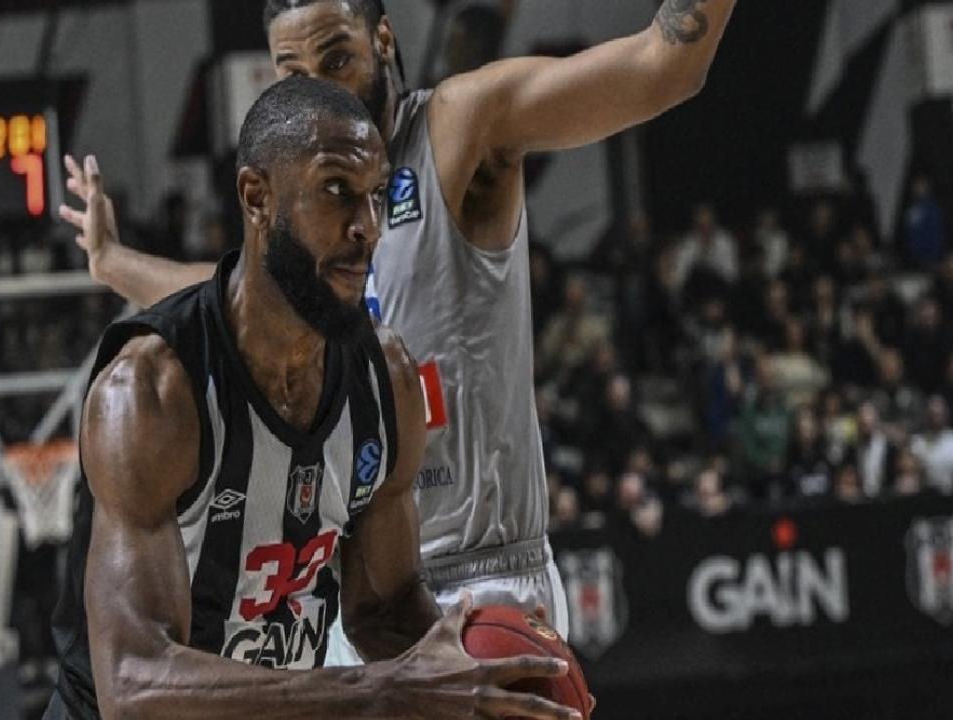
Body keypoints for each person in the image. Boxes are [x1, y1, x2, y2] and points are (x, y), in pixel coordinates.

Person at [60, 0, 737, 658]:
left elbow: (663, 65)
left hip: (476, 579)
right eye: (293, 74)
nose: (319, 89)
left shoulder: (460, 125)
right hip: (351, 593)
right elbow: (226, 297)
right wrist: (111, 261)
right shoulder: (305, 196)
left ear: (383, 40)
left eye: (337, 59)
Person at [46, 77, 577, 720]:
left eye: (377, 196)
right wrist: (380, 689)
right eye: (336, 191)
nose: (368, 227)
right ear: (257, 197)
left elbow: (384, 609)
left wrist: (481, 676)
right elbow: (132, 687)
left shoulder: (385, 379)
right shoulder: (151, 393)